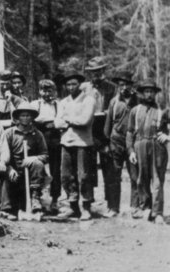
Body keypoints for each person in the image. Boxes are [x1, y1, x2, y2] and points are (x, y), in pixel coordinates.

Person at [53, 71, 96, 220]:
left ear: (80, 85)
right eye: (68, 84)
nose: (71, 87)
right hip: (66, 142)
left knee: (83, 176)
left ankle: (86, 207)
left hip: (83, 143)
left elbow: (84, 120)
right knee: (66, 175)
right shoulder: (63, 102)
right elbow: (57, 122)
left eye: (74, 84)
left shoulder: (88, 100)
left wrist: (67, 119)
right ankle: (73, 206)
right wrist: (68, 120)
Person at [126, 82, 169, 223]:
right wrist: (131, 151)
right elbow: (130, 132)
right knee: (141, 179)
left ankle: (157, 213)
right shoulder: (135, 110)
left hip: (157, 146)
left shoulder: (163, 109)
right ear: (142, 94)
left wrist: (168, 136)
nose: (149, 94)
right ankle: (146, 208)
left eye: (151, 92)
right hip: (139, 146)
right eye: (146, 92)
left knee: (157, 180)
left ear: (155, 93)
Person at [0, 102, 49, 217]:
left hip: (31, 175)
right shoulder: (9, 133)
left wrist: (34, 158)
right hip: (13, 172)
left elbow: (45, 155)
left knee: (38, 163)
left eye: (28, 115)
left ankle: (35, 199)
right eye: (23, 115)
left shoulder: (37, 134)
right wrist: (10, 169)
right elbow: (3, 154)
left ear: (32, 117)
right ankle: (6, 209)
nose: (26, 118)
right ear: (18, 117)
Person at [85, 56, 117, 218]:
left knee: (109, 170)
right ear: (89, 74)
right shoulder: (84, 88)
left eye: (98, 71)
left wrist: (105, 114)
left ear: (103, 71)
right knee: (88, 170)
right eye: (92, 72)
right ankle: (87, 205)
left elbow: (115, 110)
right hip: (89, 133)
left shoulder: (111, 87)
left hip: (106, 132)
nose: (96, 74)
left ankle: (112, 205)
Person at [104, 74, 137, 217]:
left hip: (134, 143)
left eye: (127, 85)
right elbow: (108, 124)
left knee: (135, 175)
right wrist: (107, 143)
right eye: (121, 85)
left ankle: (135, 207)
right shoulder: (114, 101)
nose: (124, 88)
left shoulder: (138, 100)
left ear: (131, 85)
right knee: (113, 176)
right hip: (116, 142)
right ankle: (113, 208)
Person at [34, 80, 63, 214]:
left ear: (54, 91)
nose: (46, 93)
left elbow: (61, 121)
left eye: (49, 90)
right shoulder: (35, 104)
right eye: (43, 90)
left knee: (55, 171)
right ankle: (37, 199)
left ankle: (55, 200)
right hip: (38, 141)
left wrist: (53, 123)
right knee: (38, 169)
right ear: (39, 91)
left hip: (54, 140)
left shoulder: (58, 105)